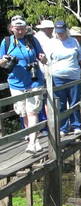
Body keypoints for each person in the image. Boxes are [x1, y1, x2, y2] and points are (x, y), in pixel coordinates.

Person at [0, 16, 47, 153]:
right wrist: (5, 60)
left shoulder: (32, 40)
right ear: (12, 29)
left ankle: (31, 143)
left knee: (32, 111)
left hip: (34, 80)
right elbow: (1, 64)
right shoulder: (6, 42)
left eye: (22, 29)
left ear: (26, 29)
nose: (20, 32)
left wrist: (43, 58)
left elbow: (43, 59)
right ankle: (35, 139)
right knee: (23, 112)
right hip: (16, 82)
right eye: (17, 29)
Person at [49, 21, 81, 136]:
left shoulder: (74, 41)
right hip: (57, 76)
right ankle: (63, 128)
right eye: (58, 32)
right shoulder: (51, 43)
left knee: (74, 101)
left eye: (62, 32)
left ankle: (76, 125)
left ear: (66, 31)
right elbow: (47, 60)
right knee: (60, 103)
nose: (60, 35)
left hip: (74, 76)